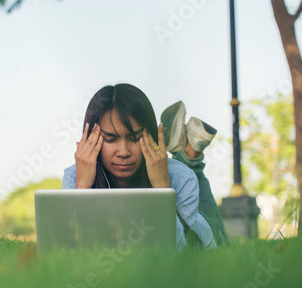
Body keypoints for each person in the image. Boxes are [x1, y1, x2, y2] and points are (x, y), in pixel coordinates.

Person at [62, 83, 229, 249]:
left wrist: (163, 188)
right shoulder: (74, 177)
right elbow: (72, 252)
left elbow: (182, 256)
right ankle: (186, 152)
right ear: (90, 138)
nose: (124, 152)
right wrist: (82, 188)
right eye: (111, 139)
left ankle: (191, 158)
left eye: (135, 138)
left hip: (200, 233)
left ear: (152, 135)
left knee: (222, 241)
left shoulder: (181, 177)